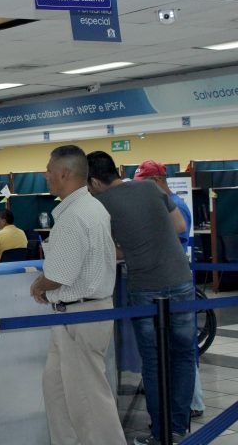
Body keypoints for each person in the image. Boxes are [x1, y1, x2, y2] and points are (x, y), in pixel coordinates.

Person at [87, 151, 194, 444]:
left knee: (154, 361)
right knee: (184, 355)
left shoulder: (100, 205)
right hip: (181, 280)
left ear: (94, 181)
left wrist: (131, 249)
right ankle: (178, 428)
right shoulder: (150, 187)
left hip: (145, 287)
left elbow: (108, 252)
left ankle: (160, 434)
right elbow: (179, 227)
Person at [28, 145, 126, 445]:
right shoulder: (92, 208)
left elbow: (59, 276)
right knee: (57, 391)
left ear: (64, 173)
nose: (45, 175)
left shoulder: (74, 216)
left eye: (49, 169)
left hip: (80, 315)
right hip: (74, 314)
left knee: (89, 400)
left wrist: (39, 286)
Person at [133, 159, 205, 420]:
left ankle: (190, 405)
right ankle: (181, 410)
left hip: (172, 283)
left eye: (143, 184)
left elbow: (170, 240)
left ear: (156, 181)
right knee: (176, 350)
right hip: (171, 281)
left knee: (180, 351)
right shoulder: (166, 204)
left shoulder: (175, 206)